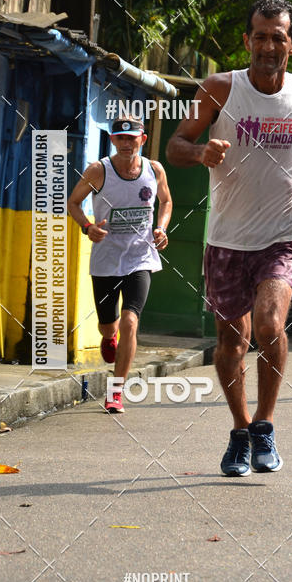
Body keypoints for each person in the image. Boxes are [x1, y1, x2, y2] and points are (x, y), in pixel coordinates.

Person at [167, 0, 292, 475]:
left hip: (284, 234)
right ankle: (240, 429)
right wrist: (201, 154)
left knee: (268, 325)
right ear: (246, 41)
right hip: (226, 238)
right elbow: (175, 145)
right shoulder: (219, 89)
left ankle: (265, 424)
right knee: (231, 339)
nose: (268, 45)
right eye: (259, 36)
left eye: (277, 37)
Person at [68, 116, 172, 413]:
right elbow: (74, 202)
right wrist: (88, 227)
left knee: (130, 321)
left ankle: (116, 391)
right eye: (121, 138)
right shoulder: (99, 171)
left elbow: (165, 201)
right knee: (108, 325)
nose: (127, 143)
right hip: (106, 259)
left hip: (140, 257)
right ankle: (108, 336)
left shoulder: (154, 170)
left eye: (132, 137)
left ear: (143, 138)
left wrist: (161, 227)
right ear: (112, 139)